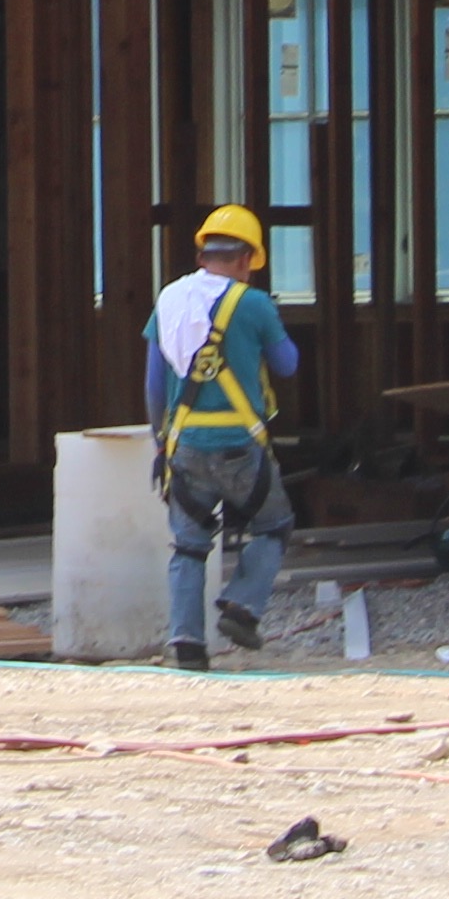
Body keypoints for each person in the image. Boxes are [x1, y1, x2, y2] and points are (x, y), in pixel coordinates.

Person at [145, 202, 298, 671]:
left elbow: (154, 380)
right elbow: (288, 364)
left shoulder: (169, 299)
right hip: (240, 446)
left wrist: (159, 441)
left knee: (189, 545)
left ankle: (187, 644)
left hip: (185, 444)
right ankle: (242, 606)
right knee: (273, 525)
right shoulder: (253, 304)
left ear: (201, 256)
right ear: (247, 259)